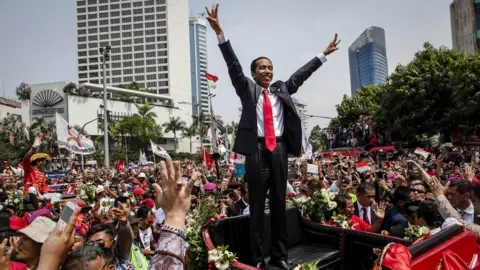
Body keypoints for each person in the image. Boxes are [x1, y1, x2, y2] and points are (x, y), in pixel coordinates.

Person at [205, 4, 339, 269]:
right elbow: (232, 64)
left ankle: (280, 258)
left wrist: (322, 55)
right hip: (255, 151)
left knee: (279, 205)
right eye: (262, 68)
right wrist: (220, 32)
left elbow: (301, 74)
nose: (267, 71)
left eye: (270, 67)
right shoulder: (247, 89)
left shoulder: (282, 90)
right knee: (257, 208)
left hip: (278, 150)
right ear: (254, 73)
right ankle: (257, 260)